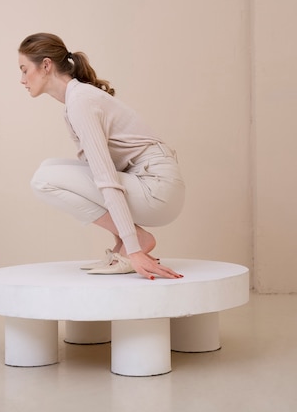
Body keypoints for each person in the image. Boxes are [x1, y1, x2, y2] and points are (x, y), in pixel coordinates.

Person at [18, 32, 185, 280]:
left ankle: (136, 240)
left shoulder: (81, 102)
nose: (22, 79)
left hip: (157, 189)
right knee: (49, 166)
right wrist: (122, 244)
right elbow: (110, 172)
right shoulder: (76, 99)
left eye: (24, 69)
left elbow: (106, 178)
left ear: (45, 65)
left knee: (43, 178)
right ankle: (124, 247)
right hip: (150, 183)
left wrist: (134, 247)